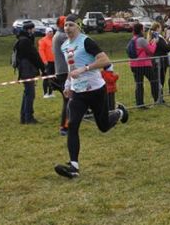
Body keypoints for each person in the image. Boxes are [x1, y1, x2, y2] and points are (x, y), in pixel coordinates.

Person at [54, 14, 128, 178]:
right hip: (78, 93)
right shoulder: (64, 46)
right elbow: (71, 68)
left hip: (95, 90)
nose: (67, 28)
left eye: (71, 25)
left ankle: (120, 112)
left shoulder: (86, 41)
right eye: (65, 25)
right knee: (72, 125)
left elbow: (105, 60)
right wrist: (67, 85)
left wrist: (85, 68)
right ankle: (74, 166)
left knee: (103, 126)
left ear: (78, 26)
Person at [15, 21, 45, 124]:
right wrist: (42, 67)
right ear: (29, 30)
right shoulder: (25, 42)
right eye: (33, 29)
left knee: (27, 93)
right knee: (30, 94)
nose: (34, 30)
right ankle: (28, 117)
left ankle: (24, 117)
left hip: (25, 69)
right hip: (27, 70)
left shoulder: (22, 40)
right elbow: (34, 56)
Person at [129, 22, 159, 107]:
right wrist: (154, 43)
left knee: (139, 84)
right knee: (154, 81)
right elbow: (151, 51)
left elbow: (144, 48)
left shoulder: (133, 39)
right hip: (144, 64)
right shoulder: (141, 40)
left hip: (134, 65)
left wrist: (150, 43)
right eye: (143, 29)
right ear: (141, 30)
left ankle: (140, 103)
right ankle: (157, 99)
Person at [52, 16, 70, 136]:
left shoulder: (57, 35)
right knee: (68, 99)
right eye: (66, 24)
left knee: (69, 99)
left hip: (61, 70)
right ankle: (64, 127)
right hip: (64, 71)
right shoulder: (62, 36)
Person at [149, 21, 170, 103]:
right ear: (157, 28)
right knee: (160, 80)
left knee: (158, 80)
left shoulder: (153, 36)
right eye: (160, 27)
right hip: (160, 62)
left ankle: (158, 97)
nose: (161, 29)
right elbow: (166, 48)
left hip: (157, 61)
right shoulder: (157, 37)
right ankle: (158, 97)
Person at [38, 28, 56, 98]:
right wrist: (44, 60)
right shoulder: (43, 40)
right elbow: (41, 51)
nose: (51, 33)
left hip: (54, 62)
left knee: (52, 77)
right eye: (49, 32)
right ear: (46, 33)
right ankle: (45, 93)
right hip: (47, 62)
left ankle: (51, 92)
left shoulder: (54, 40)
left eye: (52, 31)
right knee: (46, 77)